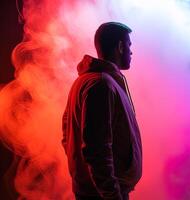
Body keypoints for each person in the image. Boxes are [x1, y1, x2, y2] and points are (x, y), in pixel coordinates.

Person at [62, 22, 142, 200]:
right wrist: (112, 195)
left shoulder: (84, 82)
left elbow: (66, 136)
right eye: (129, 45)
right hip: (103, 195)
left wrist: (81, 171)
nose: (131, 51)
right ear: (120, 47)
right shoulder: (101, 84)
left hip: (94, 191)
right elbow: (96, 149)